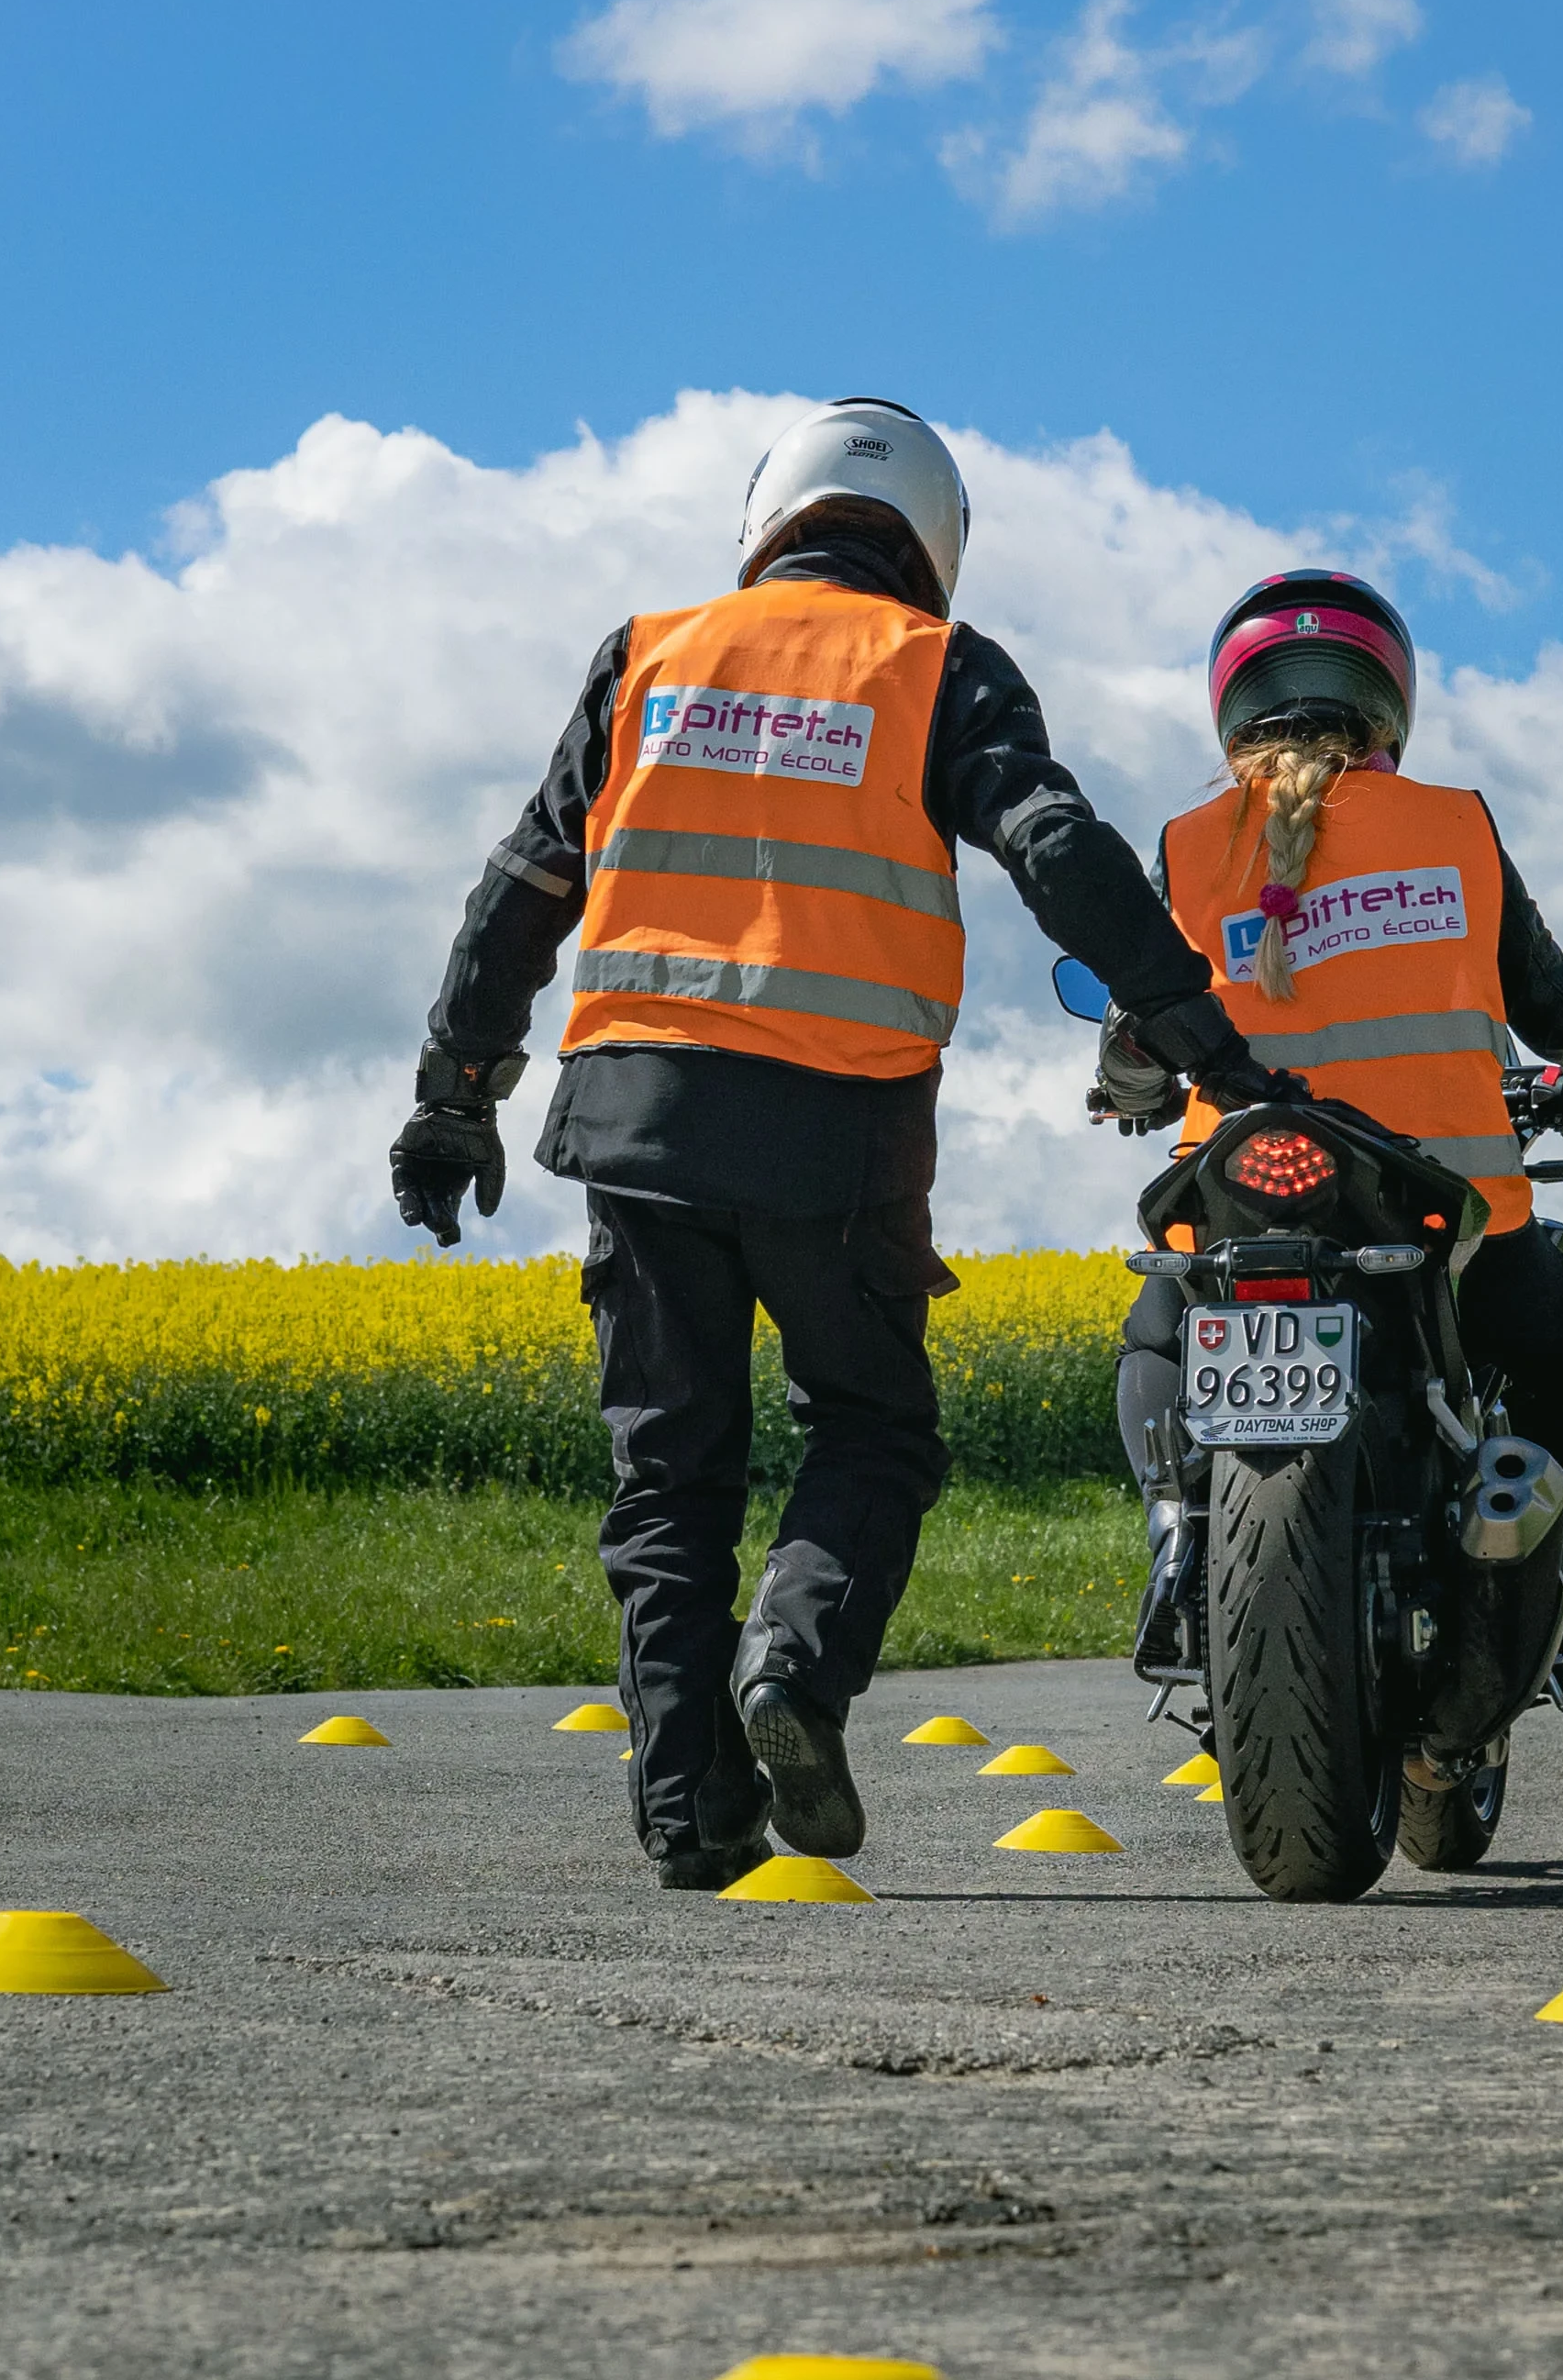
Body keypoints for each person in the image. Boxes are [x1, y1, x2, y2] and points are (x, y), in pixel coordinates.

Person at [394, 400, 1300, 1889]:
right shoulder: (940, 666)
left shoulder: (648, 655)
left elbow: (522, 887)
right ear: (932, 540)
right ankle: (794, 1679)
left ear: (768, 518)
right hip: (840, 1124)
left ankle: (691, 1814)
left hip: (638, 1118)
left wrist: (453, 1091)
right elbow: (1055, 847)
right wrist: (1197, 1037)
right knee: (871, 1431)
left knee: (668, 1476)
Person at [1092, 568, 1563, 1789]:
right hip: (1442, 1203)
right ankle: (1504, 1552)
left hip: (1243, 1191)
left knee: (1157, 1332)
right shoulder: (1452, 824)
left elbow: (1140, 1025)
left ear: (1231, 708)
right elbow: (1550, 998)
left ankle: (1168, 1536)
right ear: (1386, 700)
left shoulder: (1191, 846)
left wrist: (1131, 1094)